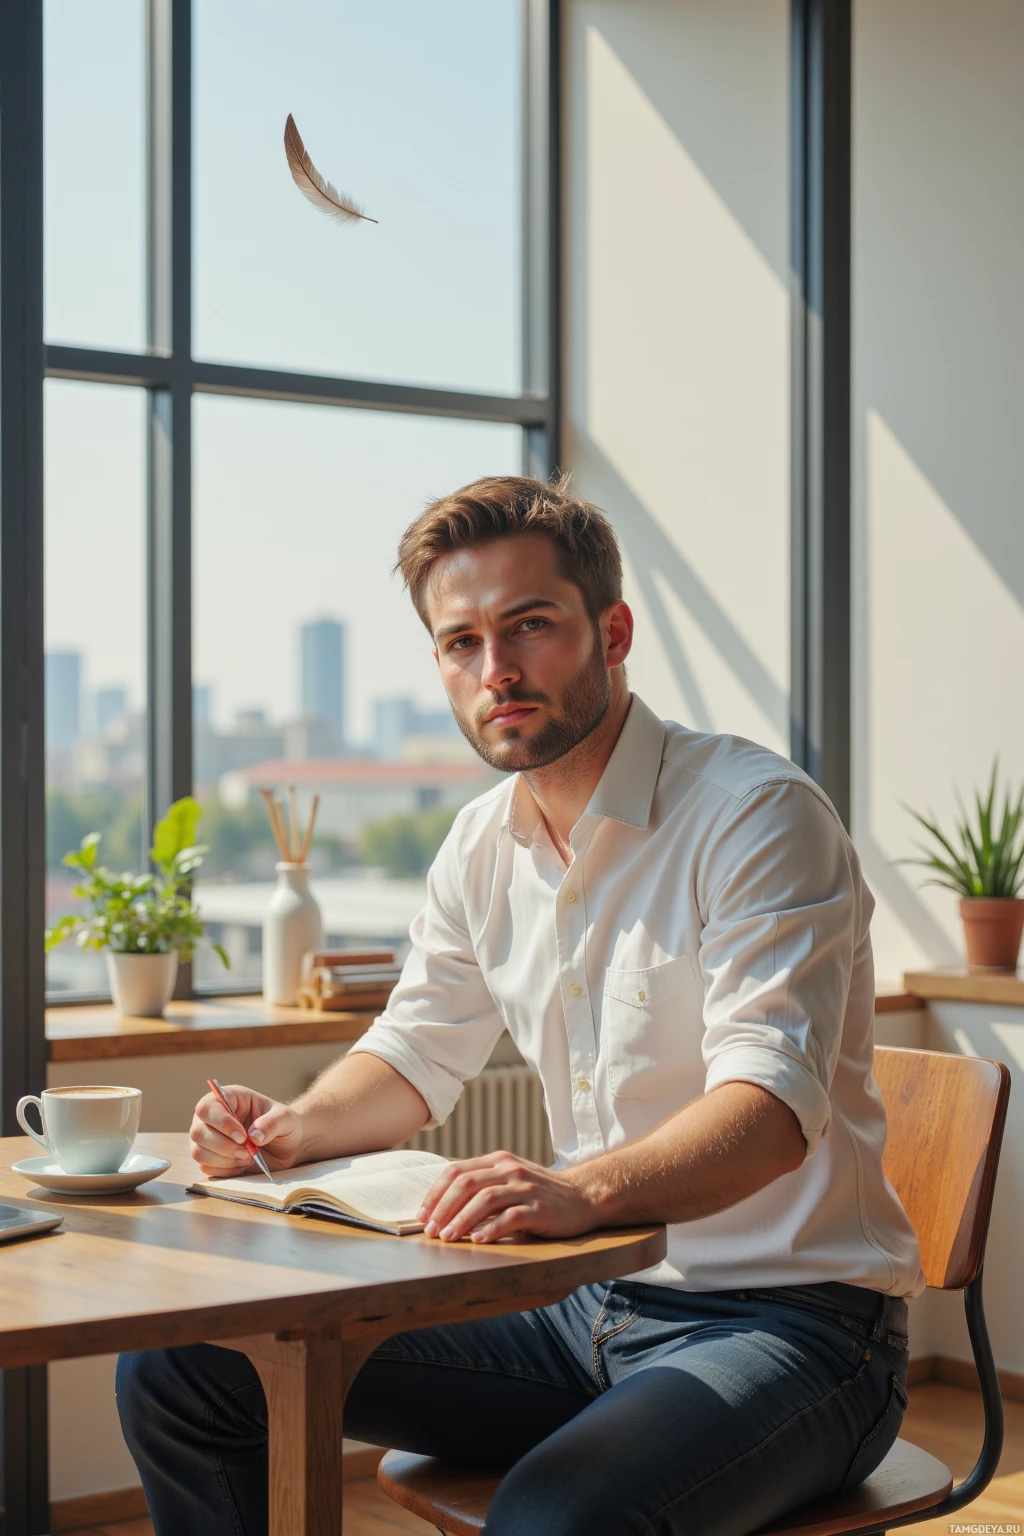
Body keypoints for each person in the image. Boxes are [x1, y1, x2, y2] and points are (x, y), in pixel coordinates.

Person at [116, 475, 923, 1536]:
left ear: (613, 630)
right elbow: (413, 1052)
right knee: (183, 1363)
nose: (494, 670)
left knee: (553, 1517)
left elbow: (769, 1114)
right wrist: (289, 1127)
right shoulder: (479, 846)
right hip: (577, 1312)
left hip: (796, 1330)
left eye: (528, 627)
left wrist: (580, 1190)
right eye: (460, 643)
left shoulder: (756, 817)